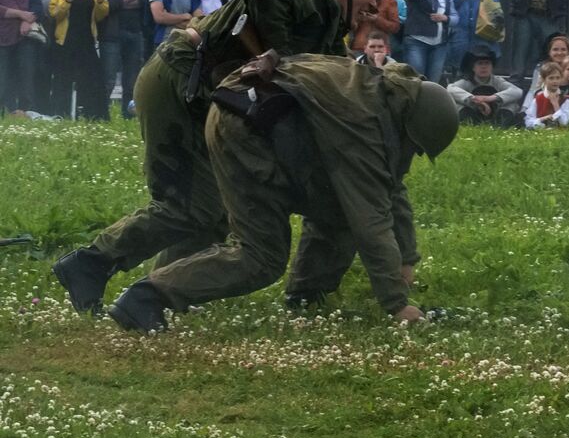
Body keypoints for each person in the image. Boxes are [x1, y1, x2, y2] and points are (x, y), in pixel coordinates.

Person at [51, 0, 385, 316]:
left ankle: (154, 295)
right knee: (188, 206)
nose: (373, 5)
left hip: (192, 88)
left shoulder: (323, 23)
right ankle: (90, 264)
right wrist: (279, 54)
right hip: (178, 81)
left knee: (211, 212)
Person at [105, 55, 459, 332]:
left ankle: (306, 295)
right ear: (411, 128)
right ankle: (147, 297)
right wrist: (398, 305)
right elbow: (371, 219)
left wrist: (407, 258)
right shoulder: (364, 123)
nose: (410, 154)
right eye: (414, 147)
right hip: (244, 128)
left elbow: (391, 185)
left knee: (336, 209)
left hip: (248, 113)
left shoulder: (380, 93)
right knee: (261, 256)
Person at [48, 0, 110, 120]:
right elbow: (55, 14)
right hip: (66, 40)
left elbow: (100, 15)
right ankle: (61, 116)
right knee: (63, 80)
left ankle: (93, 117)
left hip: (87, 40)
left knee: (92, 79)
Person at [94, 0, 149, 119]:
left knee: (132, 80)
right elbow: (107, 2)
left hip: (135, 32)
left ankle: (129, 115)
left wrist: (121, 0)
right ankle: (101, 115)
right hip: (111, 34)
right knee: (108, 78)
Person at [0, 0, 45, 113]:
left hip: (25, 36)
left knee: (26, 77)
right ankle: (5, 113)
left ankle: (28, 112)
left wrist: (27, 20)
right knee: (3, 79)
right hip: (2, 37)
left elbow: (37, 6)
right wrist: (19, 14)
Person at [401, 0, 456, 84]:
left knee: (433, 83)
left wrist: (445, 18)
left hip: (440, 44)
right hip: (417, 41)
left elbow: (456, 18)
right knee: (416, 80)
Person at [448, 45, 524, 127]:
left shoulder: (497, 81)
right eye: (480, 63)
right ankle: (472, 125)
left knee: (511, 103)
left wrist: (489, 98)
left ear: (492, 67)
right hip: (473, 114)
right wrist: (474, 99)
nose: (484, 67)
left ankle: (499, 126)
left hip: (495, 115)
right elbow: (450, 89)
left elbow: (517, 91)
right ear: (473, 67)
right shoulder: (466, 81)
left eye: (487, 63)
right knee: (457, 103)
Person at [32, 0, 67, 115]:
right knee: (41, 75)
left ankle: (61, 113)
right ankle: (41, 113)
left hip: (64, 35)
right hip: (42, 37)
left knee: (62, 76)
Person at [523, 61, 569, 129]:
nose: (555, 81)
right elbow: (528, 122)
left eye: (558, 78)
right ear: (544, 79)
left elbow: (564, 123)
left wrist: (556, 105)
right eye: (551, 78)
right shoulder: (538, 98)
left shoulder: (564, 99)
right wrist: (542, 119)